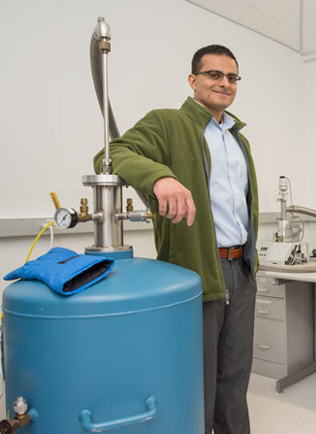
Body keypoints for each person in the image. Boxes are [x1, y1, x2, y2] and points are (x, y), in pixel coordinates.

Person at [93, 44, 258, 434]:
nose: (224, 83)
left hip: (241, 268)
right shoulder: (168, 123)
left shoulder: (238, 139)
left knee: (235, 375)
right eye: (214, 75)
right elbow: (113, 152)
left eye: (232, 77)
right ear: (193, 80)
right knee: (194, 377)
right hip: (197, 269)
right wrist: (159, 176)